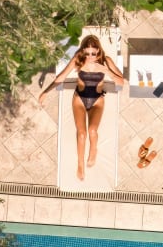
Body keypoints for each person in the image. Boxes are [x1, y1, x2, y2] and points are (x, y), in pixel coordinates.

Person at [38, 35, 125, 180]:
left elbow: (121, 82)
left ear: (98, 51)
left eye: (93, 53)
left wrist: (105, 70)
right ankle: (80, 164)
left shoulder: (106, 61)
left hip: (97, 100)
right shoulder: (78, 59)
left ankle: (93, 148)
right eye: (87, 53)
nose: (90, 57)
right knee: (82, 134)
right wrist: (46, 92)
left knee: (92, 131)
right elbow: (61, 77)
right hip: (79, 99)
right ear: (83, 51)